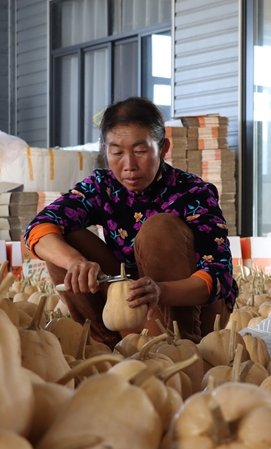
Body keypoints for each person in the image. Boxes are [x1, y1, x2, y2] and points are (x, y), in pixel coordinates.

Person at [24, 97, 237, 347]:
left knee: (160, 228)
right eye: (117, 152)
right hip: (130, 299)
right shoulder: (102, 186)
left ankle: (178, 344)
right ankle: (105, 343)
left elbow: (219, 275)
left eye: (140, 151)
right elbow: (37, 226)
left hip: (189, 304)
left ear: (163, 148)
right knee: (65, 236)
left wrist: (161, 291)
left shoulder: (193, 192)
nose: (129, 165)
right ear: (105, 150)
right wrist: (75, 262)